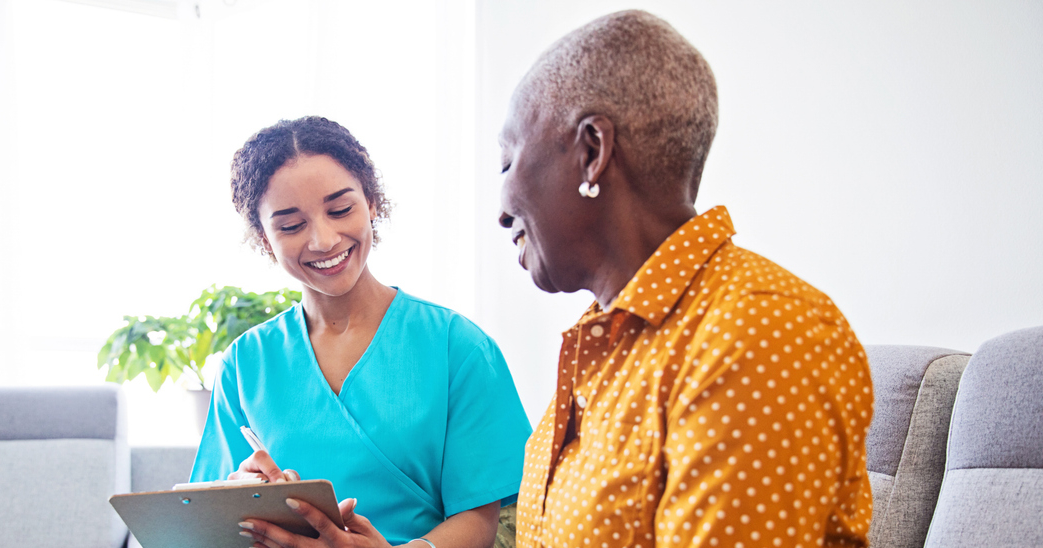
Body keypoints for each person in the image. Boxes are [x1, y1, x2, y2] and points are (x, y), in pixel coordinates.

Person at [495, 10, 873, 548]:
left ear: (591, 153)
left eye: (507, 161)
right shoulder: (606, 338)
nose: (501, 211)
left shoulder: (757, 332)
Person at [191, 116, 533, 548]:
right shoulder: (246, 362)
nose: (323, 240)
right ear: (263, 237)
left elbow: (482, 522)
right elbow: (209, 515)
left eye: (340, 210)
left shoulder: (458, 348)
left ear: (372, 203)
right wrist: (238, 492)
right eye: (291, 225)